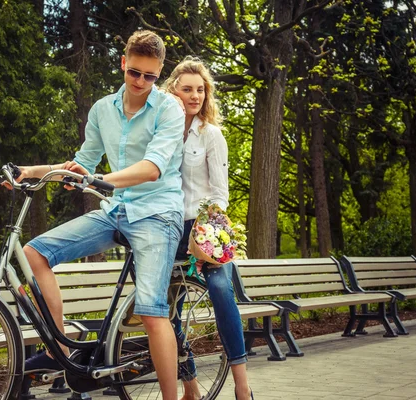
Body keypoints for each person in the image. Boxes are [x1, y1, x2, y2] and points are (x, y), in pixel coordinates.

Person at [14, 30, 185, 399]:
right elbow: (82, 165)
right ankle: (57, 350)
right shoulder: (102, 109)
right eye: (134, 72)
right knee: (33, 253)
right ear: (123, 63)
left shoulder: (170, 109)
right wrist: (29, 172)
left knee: (152, 310)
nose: (141, 82)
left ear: (159, 73)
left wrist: (101, 179)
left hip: (158, 213)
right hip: (116, 210)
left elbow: (153, 167)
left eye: (150, 76)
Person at [161, 57, 253, 400]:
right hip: (169, 227)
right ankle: (190, 387)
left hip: (205, 227)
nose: (195, 95)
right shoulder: (163, 132)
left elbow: (219, 194)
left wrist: (205, 235)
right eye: (187, 89)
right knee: (168, 308)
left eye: (200, 89)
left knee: (220, 289)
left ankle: (242, 387)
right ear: (174, 91)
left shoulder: (212, 134)